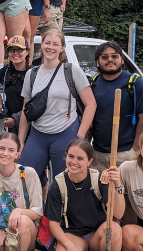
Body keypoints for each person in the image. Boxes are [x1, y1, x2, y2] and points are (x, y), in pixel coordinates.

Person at [19, 29, 96, 184]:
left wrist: (79, 136)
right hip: (38, 134)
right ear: (42, 45)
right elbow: (25, 110)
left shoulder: (71, 71)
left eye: (55, 44)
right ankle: (32, 208)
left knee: (64, 184)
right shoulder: (31, 74)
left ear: (62, 48)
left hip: (65, 133)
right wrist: (21, 141)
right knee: (22, 178)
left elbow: (91, 104)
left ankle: (61, 209)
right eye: (47, 43)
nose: (50, 47)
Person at [43, 140, 124, 251]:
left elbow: (118, 214)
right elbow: (53, 224)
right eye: (71, 156)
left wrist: (117, 185)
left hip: (96, 235)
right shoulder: (57, 184)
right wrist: (69, 246)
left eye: (80, 158)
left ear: (89, 161)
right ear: (66, 157)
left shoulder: (99, 179)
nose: (74, 162)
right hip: (73, 234)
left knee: (115, 229)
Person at [90, 41, 143, 168]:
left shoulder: (135, 84)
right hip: (98, 154)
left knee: (125, 188)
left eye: (114, 56)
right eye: (104, 57)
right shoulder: (93, 84)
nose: (110, 59)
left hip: (125, 154)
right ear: (97, 62)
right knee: (98, 188)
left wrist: (135, 149)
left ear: (122, 60)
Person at [0, 36, 31, 148]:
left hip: (33, 127)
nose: (15, 53)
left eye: (19, 49)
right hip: (12, 128)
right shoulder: (6, 71)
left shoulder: (34, 73)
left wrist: (16, 119)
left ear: (27, 52)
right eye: (11, 50)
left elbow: (36, 103)